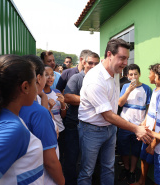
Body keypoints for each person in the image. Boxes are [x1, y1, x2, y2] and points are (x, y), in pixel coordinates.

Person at [77, 38, 154, 185]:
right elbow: (107, 115)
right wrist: (136, 128)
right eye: (122, 58)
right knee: (87, 171)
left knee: (109, 168)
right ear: (109, 54)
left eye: (127, 58)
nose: (125, 63)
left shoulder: (116, 73)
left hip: (110, 129)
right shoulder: (95, 79)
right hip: (92, 130)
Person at [0, 55, 44, 184]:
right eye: (34, 82)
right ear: (25, 87)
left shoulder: (5, 116)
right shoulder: (12, 128)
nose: (37, 86)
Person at [19, 55, 65, 185]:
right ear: (39, 78)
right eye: (46, 75)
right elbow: (50, 161)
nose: (49, 78)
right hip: (42, 178)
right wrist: (62, 182)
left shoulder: (12, 106)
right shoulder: (37, 112)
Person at [63, 52, 100, 185]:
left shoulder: (100, 79)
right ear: (83, 62)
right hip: (74, 124)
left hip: (93, 126)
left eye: (96, 63)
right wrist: (92, 100)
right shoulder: (76, 78)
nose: (93, 66)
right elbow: (67, 97)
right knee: (71, 159)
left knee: (91, 161)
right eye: (90, 63)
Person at [117, 64, 152, 184]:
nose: (133, 77)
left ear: (139, 74)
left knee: (136, 150)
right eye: (131, 74)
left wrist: (145, 121)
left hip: (139, 126)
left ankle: (132, 171)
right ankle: (126, 169)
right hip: (125, 124)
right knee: (124, 149)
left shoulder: (146, 89)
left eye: (135, 74)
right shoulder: (125, 86)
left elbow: (149, 108)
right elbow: (120, 104)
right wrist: (127, 91)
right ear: (127, 76)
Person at [134, 63, 160, 185]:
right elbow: (150, 111)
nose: (149, 76)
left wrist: (151, 133)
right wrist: (143, 124)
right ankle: (142, 180)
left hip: (154, 133)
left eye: (150, 73)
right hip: (148, 130)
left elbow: (159, 116)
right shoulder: (155, 90)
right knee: (144, 156)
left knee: (155, 162)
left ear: (157, 76)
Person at [43, 65, 67, 165]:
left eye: (52, 75)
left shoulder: (57, 92)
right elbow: (43, 117)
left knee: (60, 157)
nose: (50, 78)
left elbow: (63, 115)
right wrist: (50, 108)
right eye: (46, 75)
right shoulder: (38, 95)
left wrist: (62, 104)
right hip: (48, 131)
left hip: (60, 130)